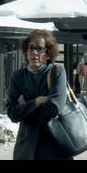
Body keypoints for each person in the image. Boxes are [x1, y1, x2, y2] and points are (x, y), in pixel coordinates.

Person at [6, 28, 72, 160]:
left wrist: (26, 107)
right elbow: (12, 113)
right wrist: (38, 101)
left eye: (40, 49)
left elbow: (54, 108)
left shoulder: (57, 71)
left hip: (54, 145)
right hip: (26, 147)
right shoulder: (18, 76)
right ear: (26, 51)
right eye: (31, 48)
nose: (34, 53)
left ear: (48, 54)